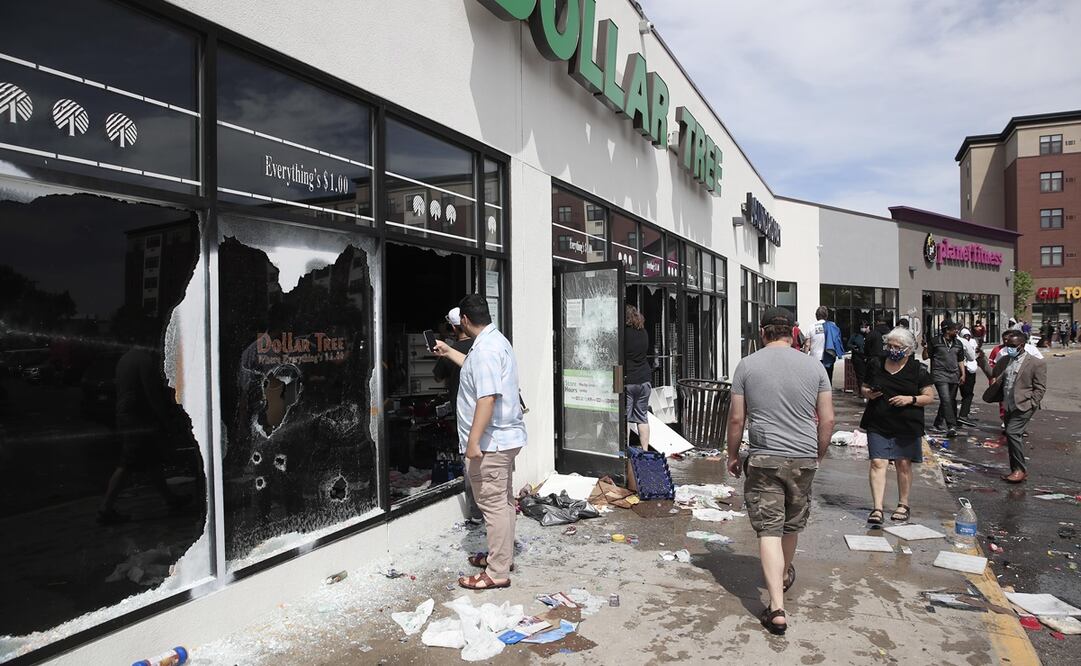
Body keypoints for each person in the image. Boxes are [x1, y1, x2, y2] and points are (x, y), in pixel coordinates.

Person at [726, 306, 834, 636]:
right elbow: (827, 420)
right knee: (790, 525)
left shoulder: (747, 365)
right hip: (803, 458)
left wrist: (732, 455)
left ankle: (776, 608)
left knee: (769, 530)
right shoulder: (815, 367)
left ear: (762, 333)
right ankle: (784, 576)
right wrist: (817, 454)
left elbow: (736, 420)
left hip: (764, 458)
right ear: (793, 333)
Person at [433, 295, 527, 590]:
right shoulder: (493, 341)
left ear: (464, 320)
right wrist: (449, 351)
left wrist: (473, 443)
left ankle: (498, 571)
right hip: (504, 438)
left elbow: (487, 398)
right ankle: (502, 556)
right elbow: (474, 369)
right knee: (503, 501)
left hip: (492, 442)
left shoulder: (485, 349)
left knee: (493, 504)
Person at [860, 327, 935, 526]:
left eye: (897, 347)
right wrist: (868, 393)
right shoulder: (876, 363)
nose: (892, 350)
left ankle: (903, 504)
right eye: (889, 346)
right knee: (878, 462)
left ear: (908, 349)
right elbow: (864, 387)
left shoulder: (918, 369)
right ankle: (877, 508)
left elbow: (929, 397)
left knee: (903, 464)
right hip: (878, 421)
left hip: (907, 423)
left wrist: (909, 399)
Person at [988, 331, 1047, 483]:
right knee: (1012, 436)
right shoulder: (1005, 360)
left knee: (1012, 433)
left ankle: (1020, 470)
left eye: (1013, 346)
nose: (1009, 348)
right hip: (1008, 404)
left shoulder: (1036, 363)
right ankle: (1016, 469)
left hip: (1024, 405)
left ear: (1022, 345)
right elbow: (992, 373)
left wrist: (1032, 403)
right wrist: (981, 359)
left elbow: (1040, 387)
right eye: (1007, 345)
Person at [922, 321, 965, 437]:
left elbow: (960, 359)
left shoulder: (958, 343)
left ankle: (937, 423)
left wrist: (963, 374)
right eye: (954, 329)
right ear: (947, 330)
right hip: (939, 374)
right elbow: (925, 357)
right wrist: (925, 348)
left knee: (949, 401)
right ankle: (951, 426)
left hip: (954, 375)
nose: (957, 331)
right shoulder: (935, 341)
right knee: (946, 399)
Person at [433, 307, 474, 407]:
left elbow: (437, 378)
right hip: (477, 403)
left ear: (453, 327)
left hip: (459, 405)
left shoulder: (448, 351)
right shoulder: (479, 346)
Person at [624, 304, 652, 450]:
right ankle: (645, 450)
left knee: (625, 418)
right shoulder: (643, 332)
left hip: (629, 380)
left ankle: (625, 450)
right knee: (642, 417)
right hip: (644, 379)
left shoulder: (624, 334)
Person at [808, 306, 844, 385]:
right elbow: (837, 341)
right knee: (827, 382)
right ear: (826, 315)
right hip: (828, 357)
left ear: (816, 315)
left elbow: (807, 344)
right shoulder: (832, 326)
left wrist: (804, 356)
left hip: (814, 358)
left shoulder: (811, 327)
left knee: (815, 382)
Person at [957, 328, 979, 426]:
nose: (967, 337)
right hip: (966, 370)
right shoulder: (963, 342)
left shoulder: (972, 342)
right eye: (965, 335)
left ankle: (962, 415)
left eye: (968, 335)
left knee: (964, 394)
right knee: (967, 394)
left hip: (969, 369)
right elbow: (971, 356)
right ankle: (963, 415)